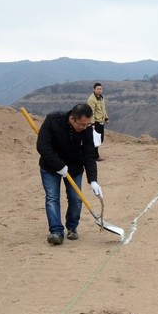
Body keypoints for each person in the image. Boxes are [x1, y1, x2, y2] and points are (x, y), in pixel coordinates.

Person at [35, 103, 103, 245]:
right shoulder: (53, 120)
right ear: (72, 119)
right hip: (50, 166)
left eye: (88, 124)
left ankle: (72, 227)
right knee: (52, 197)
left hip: (75, 167)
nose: (85, 128)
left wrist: (93, 180)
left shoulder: (87, 130)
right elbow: (42, 146)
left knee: (75, 198)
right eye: (82, 124)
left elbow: (89, 155)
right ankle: (56, 231)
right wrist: (59, 165)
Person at [86, 82, 109, 161]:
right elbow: (90, 112)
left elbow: (103, 109)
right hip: (95, 122)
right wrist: (92, 123)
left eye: (100, 89)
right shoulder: (91, 99)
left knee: (100, 139)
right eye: (98, 89)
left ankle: (93, 154)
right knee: (95, 140)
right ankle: (94, 156)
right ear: (94, 89)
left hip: (101, 121)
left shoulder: (101, 98)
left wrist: (106, 118)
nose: (99, 90)